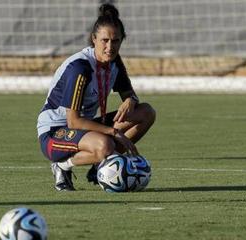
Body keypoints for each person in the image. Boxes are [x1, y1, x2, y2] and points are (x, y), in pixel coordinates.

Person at [36, 3, 156, 191]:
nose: (110, 47)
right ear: (94, 39)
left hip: (85, 128)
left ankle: (100, 163)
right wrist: (114, 132)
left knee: (146, 112)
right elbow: (73, 121)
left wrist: (131, 100)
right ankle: (62, 165)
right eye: (104, 40)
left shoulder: (114, 62)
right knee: (105, 144)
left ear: (122, 40)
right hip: (55, 134)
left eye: (115, 41)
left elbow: (130, 96)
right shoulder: (80, 68)